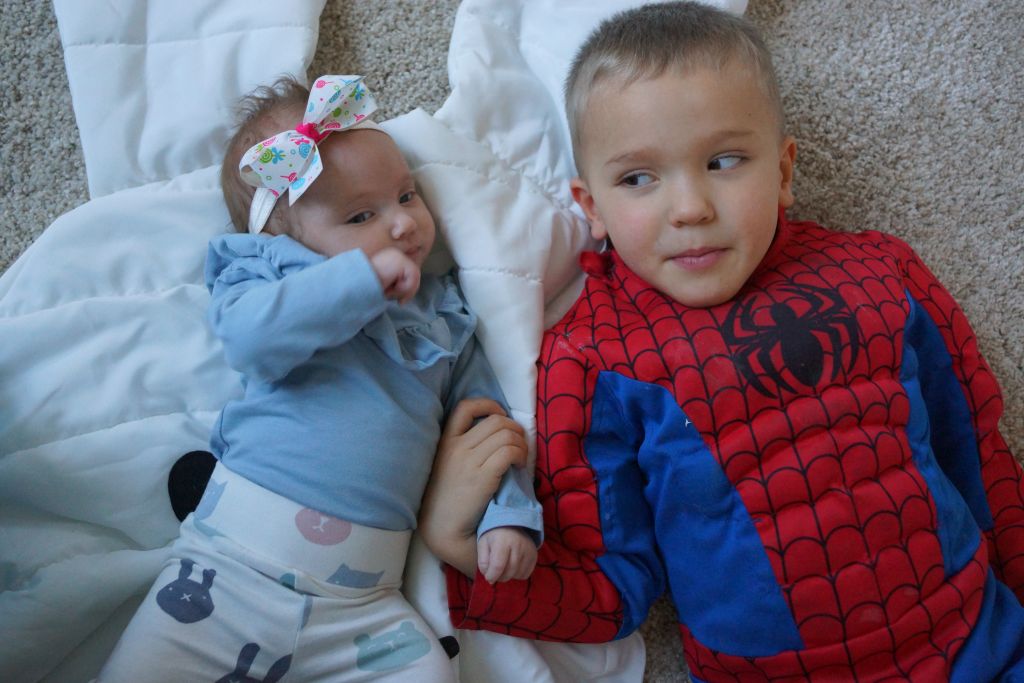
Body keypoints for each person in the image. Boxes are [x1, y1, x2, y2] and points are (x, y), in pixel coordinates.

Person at [419, 3, 1024, 680]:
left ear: (784, 173)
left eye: (724, 160)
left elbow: (979, 453)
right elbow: (611, 587)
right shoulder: (588, 359)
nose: (690, 208)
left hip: (981, 645)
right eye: (638, 178)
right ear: (592, 208)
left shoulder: (879, 272)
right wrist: (460, 544)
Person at [99, 75, 540, 682]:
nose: (402, 225)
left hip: (363, 604)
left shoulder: (442, 313)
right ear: (278, 238)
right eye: (361, 215)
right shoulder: (266, 276)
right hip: (226, 573)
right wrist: (357, 282)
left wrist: (508, 513)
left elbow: (486, 418)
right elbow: (247, 341)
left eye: (406, 195)